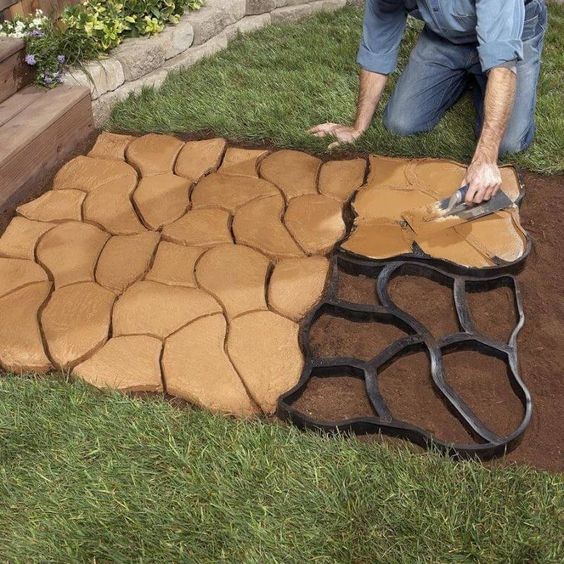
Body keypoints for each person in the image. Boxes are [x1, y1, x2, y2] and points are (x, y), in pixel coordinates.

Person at [309, 0, 547, 204]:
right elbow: (378, 47)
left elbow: (502, 66)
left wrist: (486, 159)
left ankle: (479, 76)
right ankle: (470, 75)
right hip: (446, 37)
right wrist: (357, 128)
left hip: (514, 29)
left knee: (507, 143)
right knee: (400, 123)